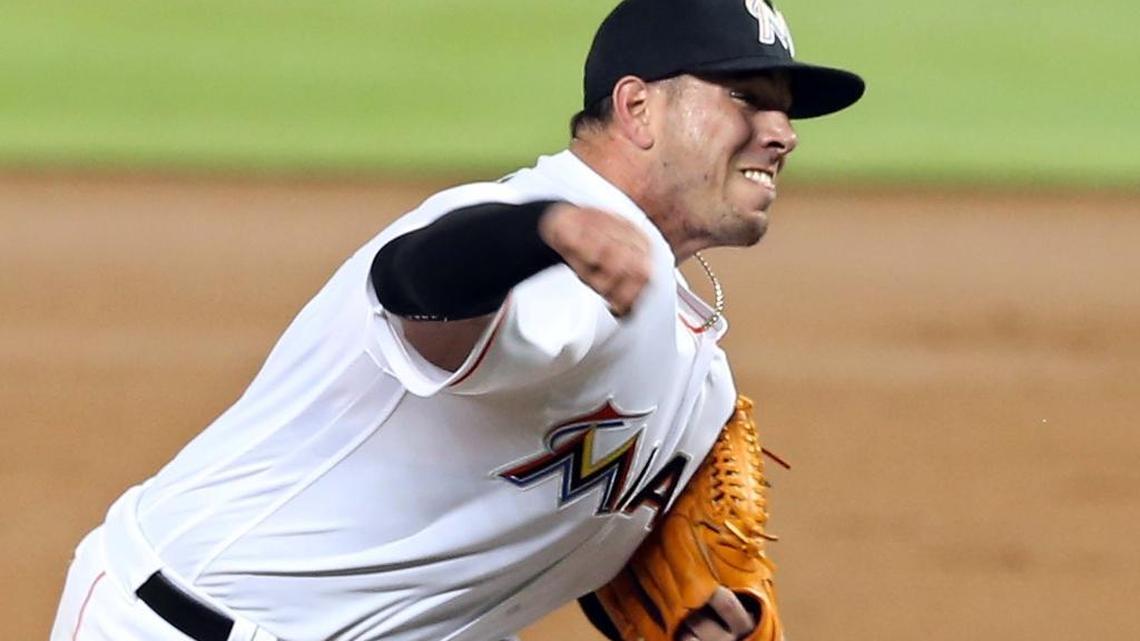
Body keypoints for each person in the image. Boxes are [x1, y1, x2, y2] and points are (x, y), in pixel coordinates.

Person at [49, 1, 863, 640]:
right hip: (189, 621)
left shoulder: (699, 377)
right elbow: (411, 283)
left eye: (786, 110)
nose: (782, 133)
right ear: (638, 107)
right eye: (747, 99)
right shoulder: (536, 244)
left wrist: (695, 619)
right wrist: (543, 229)